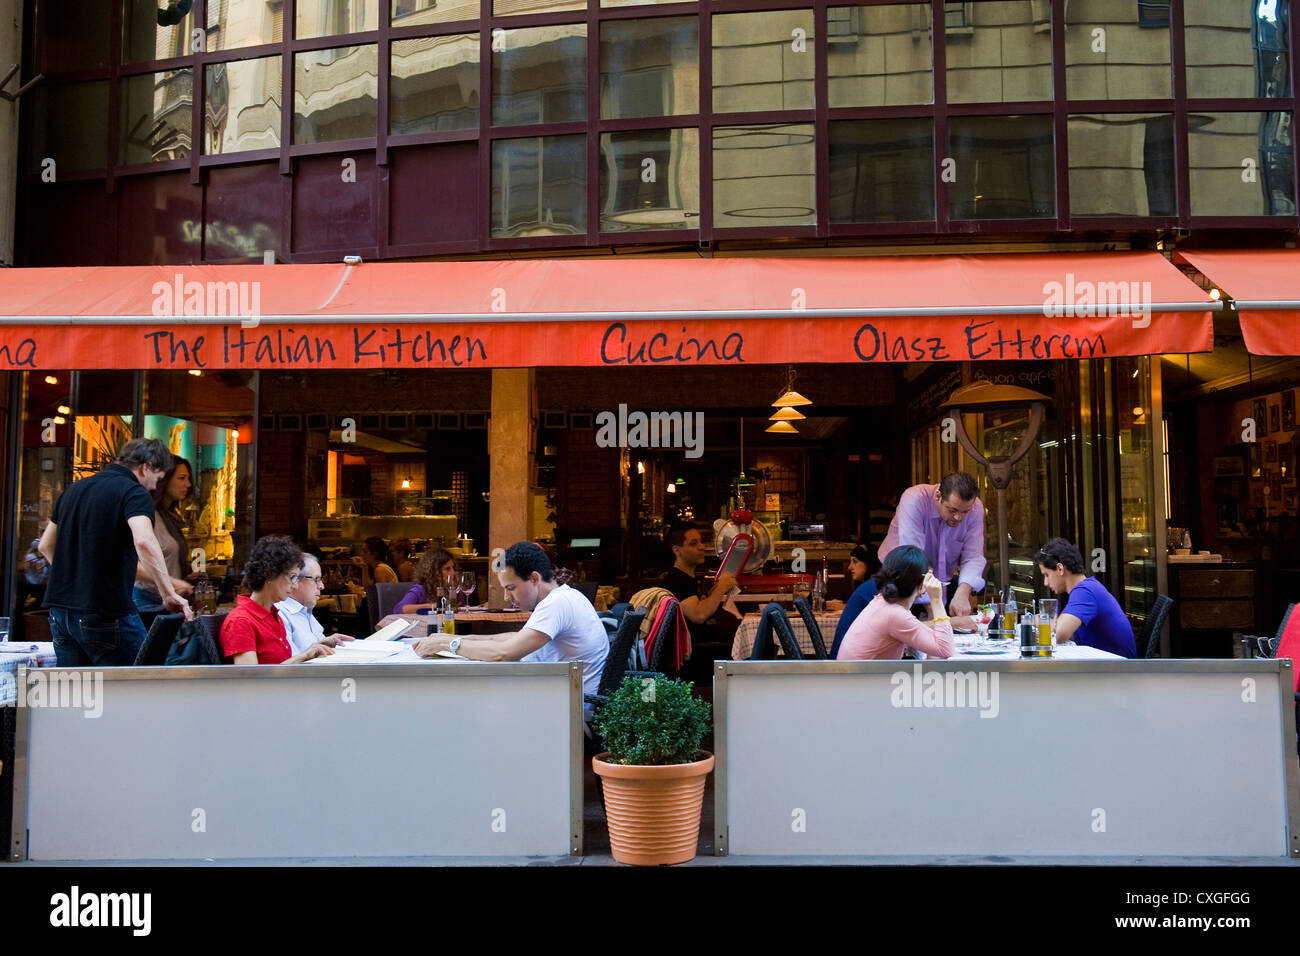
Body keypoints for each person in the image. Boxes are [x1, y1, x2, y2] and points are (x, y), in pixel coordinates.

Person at [39, 438, 193, 667]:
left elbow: (46, 545)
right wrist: (168, 592)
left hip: (60, 614)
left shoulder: (74, 490)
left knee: (75, 696)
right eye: (157, 478)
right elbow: (144, 541)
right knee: (140, 685)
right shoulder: (134, 492)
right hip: (107, 612)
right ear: (146, 466)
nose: (154, 487)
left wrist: (77, 576)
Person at [414, 541, 608, 716]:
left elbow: (504, 653)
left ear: (534, 578)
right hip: (558, 700)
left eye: (511, 588)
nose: (507, 597)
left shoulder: (556, 604)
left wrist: (448, 644)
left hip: (562, 712)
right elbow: (516, 638)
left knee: (455, 703)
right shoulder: (565, 596)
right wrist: (454, 638)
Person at [879, 471, 986, 619]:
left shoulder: (976, 508)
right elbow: (914, 558)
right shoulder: (914, 500)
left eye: (965, 512)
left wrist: (963, 592)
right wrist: (934, 610)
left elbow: (973, 556)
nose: (958, 517)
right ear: (938, 496)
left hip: (941, 583)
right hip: (901, 579)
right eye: (952, 510)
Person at [221, 535, 335, 664]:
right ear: (269, 574)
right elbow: (250, 679)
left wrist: (312, 650)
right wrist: (303, 656)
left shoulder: (273, 614)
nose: (295, 585)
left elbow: (281, 665)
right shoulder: (241, 621)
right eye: (292, 577)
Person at [836, 545, 955, 661]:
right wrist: (936, 600)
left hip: (855, 677)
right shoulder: (894, 613)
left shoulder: (883, 602)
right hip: (862, 679)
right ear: (922, 582)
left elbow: (935, 642)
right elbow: (945, 649)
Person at [1034, 538, 1136, 658]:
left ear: (1060, 569)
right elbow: (1071, 634)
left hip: (1117, 672)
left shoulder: (1085, 591)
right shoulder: (1088, 587)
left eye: (1047, 575)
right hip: (1111, 667)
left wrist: (1035, 620)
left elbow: (1059, 635)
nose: (1045, 582)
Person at [663, 526, 739, 676]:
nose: (701, 547)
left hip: (703, 646)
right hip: (694, 654)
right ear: (677, 550)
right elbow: (698, 615)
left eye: (701, 542)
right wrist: (721, 587)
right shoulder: (676, 579)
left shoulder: (688, 579)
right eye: (693, 543)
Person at [132, 454, 196, 611]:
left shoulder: (170, 517)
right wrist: (172, 582)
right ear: (164, 480)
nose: (188, 484)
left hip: (168, 600)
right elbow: (132, 565)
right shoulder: (145, 516)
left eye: (188, 478)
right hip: (147, 601)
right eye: (181, 478)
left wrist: (183, 577)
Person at [275, 553, 356, 655]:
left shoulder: (305, 611)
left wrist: (327, 643)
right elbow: (289, 665)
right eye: (316, 580)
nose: (321, 586)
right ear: (295, 580)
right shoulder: (279, 614)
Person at [829, 544, 881, 659]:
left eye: (855, 561)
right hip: (848, 664)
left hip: (841, 659)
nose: (849, 567)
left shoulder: (870, 586)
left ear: (869, 562)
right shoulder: (872, 586)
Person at [395, 548, 457, 613]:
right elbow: (399, 609)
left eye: (453, 568)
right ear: (434, 572)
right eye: (447, 569)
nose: (453, 573)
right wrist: (431, 606)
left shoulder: (453, 590)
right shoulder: (420, 590)